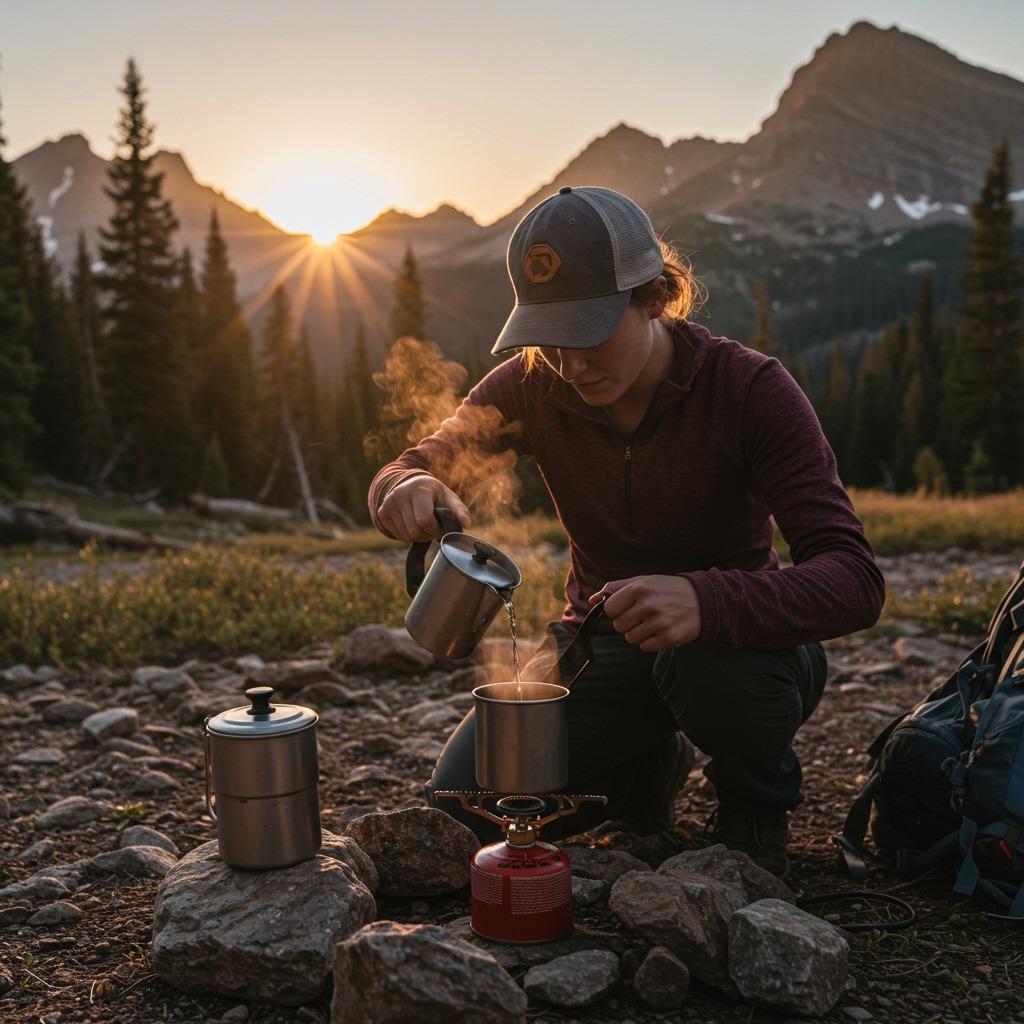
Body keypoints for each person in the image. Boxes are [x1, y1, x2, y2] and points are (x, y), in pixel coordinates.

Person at [368, 185, 885, 877]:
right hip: (599, 645)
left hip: (739, 652)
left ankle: (753, 809)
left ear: (656, 298)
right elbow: (412, 464)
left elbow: (854, 579)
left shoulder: (749, 390)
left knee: (707, 667)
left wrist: (707, 601)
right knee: (465, 804)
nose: (570, 364)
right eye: (550, 337)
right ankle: (646, 764)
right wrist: (405, 487)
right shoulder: (530, 383)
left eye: (590, 332)